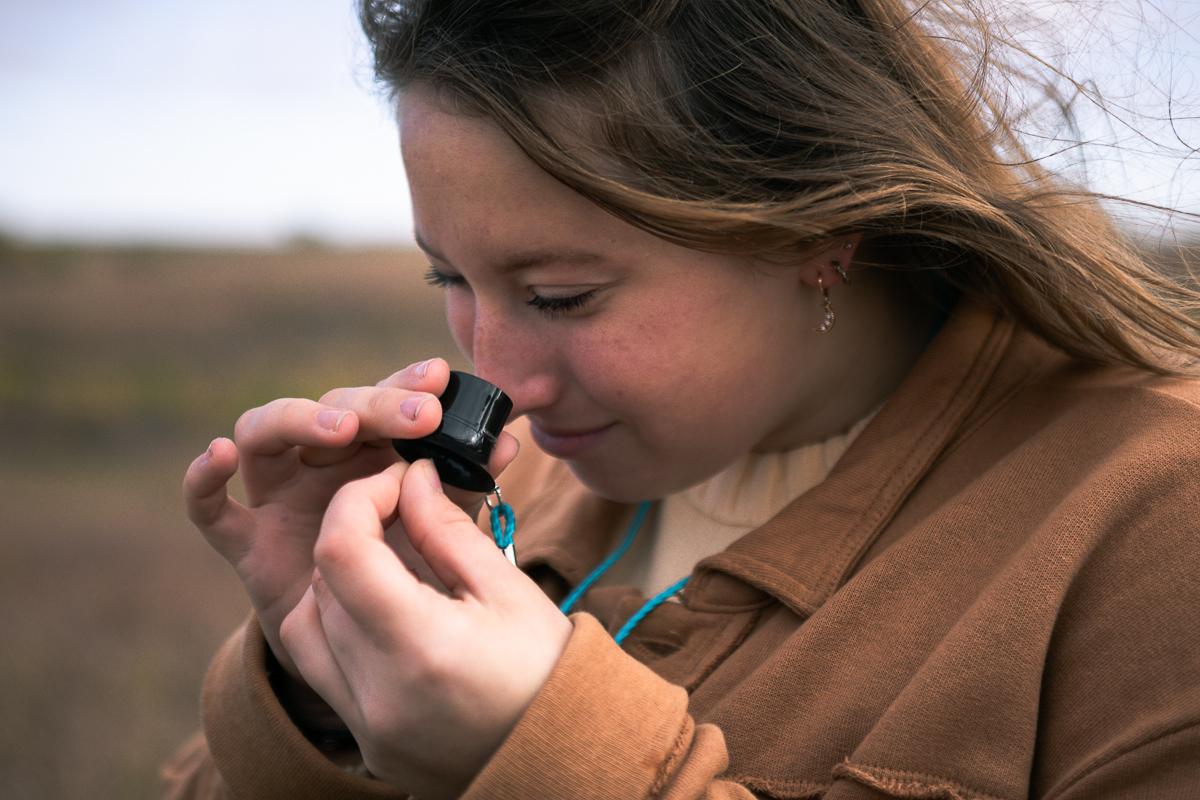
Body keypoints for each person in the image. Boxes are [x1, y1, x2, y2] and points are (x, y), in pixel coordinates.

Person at [162, 1, 1200, 797]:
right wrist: (326, 677)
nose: (501, 376)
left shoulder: (1158, 524)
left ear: (819, 225)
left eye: (563, 294)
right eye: (449, 280)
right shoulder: (542, 484)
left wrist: (548, 752)